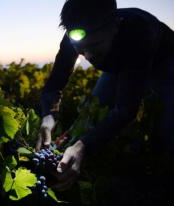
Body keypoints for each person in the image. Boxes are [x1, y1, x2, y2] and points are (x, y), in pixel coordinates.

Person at [36, 0, 174, 202]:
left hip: (165, 62)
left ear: (115, 26)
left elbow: (126, 109)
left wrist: (83, 147)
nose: (89, 56)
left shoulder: (139, 29)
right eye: (81, 50)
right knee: (93, 115)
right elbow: (54, 83)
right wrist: (48, 116)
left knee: (168, 132)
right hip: (119, 66)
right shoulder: (75, 33)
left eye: (95, 46)